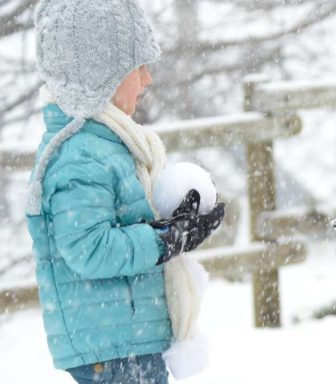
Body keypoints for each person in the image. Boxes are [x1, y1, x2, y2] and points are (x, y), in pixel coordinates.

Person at [25, 1, 226, 383]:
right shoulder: (79, 156)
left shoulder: (106, 146)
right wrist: (166, 240)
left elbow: (125, 223)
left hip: (125, 340)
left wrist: (179, 225)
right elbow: (89, 247)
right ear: (102, 74)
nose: (147, 79)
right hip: (113, 349)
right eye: (138, 67)